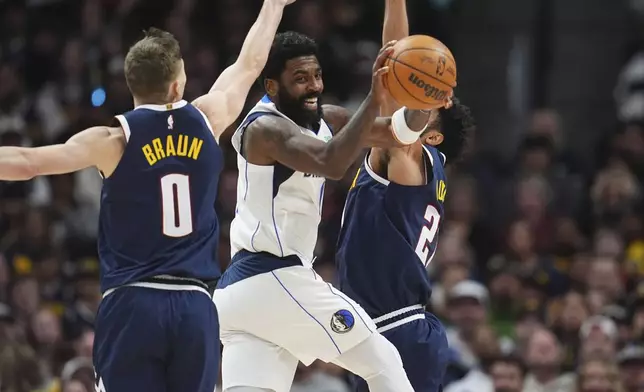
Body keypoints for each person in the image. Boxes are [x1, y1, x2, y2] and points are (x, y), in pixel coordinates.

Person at [0, 0, 296, 390]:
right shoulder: (209, 118)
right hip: (194, 304)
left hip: (133, 303)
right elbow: (249, 64)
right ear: (177, 85)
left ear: (131, 83)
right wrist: (273, 6)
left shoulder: (113, 140)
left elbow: (26, 162)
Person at [213, 29, 446, 392]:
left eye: (317, 75)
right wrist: (375, 96)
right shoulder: (265, 128)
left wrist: (427, 98)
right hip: (274, 276)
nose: (313, 86)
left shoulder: (327, 119)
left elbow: (399, 134)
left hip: (244, 296)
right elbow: (332, 162)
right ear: (272, 87)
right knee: (383, 361)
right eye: (300, 79)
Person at [335, 1, 476, 391]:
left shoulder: (412, 154)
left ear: (432, 135)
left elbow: (401, 62)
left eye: (424, 109)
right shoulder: (428, 167)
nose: (410, 107)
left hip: (396, 328)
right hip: (388, 327)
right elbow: (399, 66)